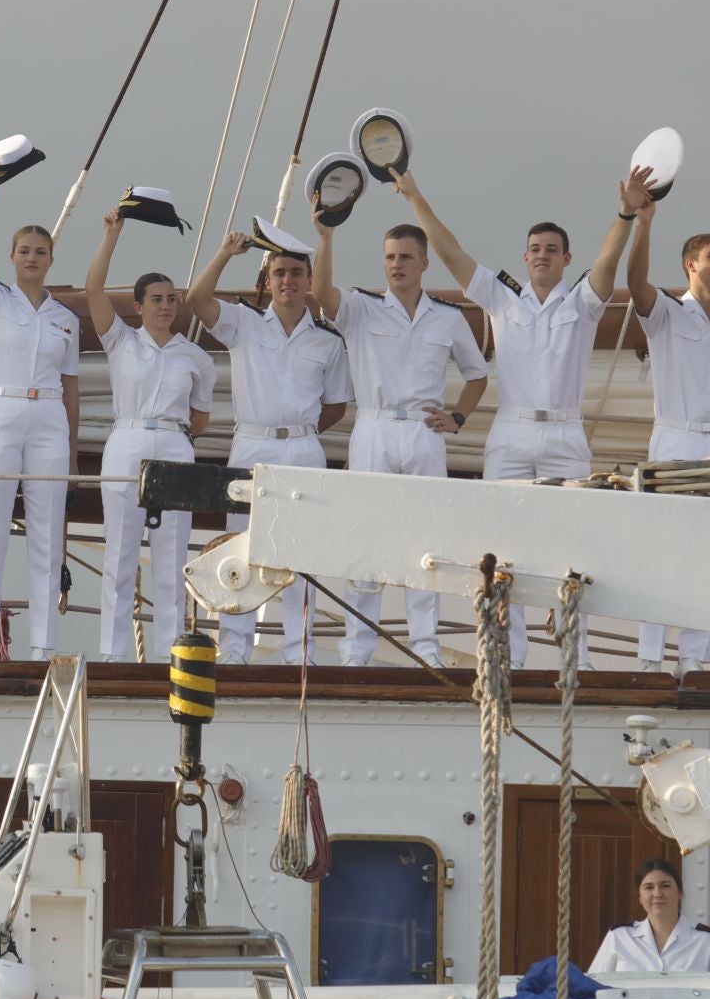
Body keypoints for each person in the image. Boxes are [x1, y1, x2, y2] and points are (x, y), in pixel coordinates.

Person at [407, 167, 635, 668]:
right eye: (535, 248)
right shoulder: (499, 297)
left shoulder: (583, 302)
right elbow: (449, 252)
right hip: (511, 432)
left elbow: (608, 261)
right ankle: (503, 655)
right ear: (524, 257)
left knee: (575, 548)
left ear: (565, 258)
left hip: (564, 433)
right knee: (499, 545)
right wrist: (415, 196)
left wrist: (626, 214)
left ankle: (576, 655)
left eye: (552, 249)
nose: (542, 255)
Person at [313, 213, 488, 666]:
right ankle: (358, 646)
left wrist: (458, 417)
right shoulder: (361, 308)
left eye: (406, 257)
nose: (396, 265)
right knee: (364, 538)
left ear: (424, 263)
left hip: (424, 430)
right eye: (390, 258)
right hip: (374, 427)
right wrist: (326, 240)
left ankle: (425, 645)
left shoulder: (448, 319)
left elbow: (477, 374)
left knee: (425, 540)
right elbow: (321, 295)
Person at [185, 227, 350, 664]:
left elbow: (335, 406)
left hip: (302, 447)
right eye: (279, 273)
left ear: (310, 281)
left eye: (296, 273)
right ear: (268, 280)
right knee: (241, 547)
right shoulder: (243, 323)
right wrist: (224, 252)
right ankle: (235, 649)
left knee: (304, 550)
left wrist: (301, 429)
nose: (288, 281)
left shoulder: (327, 341)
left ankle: (300, 652)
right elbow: (196, 301)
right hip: (252, 445)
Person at [623, 192, 710, 675]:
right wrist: (645, 222)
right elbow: (635, 282)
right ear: (690, 265)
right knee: (660, 550)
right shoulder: (666, 313)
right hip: (675, 438)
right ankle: (650, 658)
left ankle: (697, 658)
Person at [83, 211, 217, 661]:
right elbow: (94, 290)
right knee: (120, 555)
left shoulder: (195, 357)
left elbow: (200, 418)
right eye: (156, 299)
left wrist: (175, 438)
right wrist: (110, 235)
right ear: (138, 306)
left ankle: (170, 653)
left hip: (175, 443)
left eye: (171, 299)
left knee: (171, 558)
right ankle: (113, 653)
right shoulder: (121, 340)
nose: (165, 306)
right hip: (128, 441)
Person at [0, 167, 81, 661]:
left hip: (49, 417)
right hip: (1, 409)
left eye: (40, 252)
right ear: (12, 258)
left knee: (47, 532)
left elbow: (71, 388)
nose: (32, 258)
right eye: (24, 251)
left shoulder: (65, 318)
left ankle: (43, 645)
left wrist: (72, 453)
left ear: (51, 259)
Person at [588, 859, 710, 974]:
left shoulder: (708, 942)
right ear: (640, 898)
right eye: (648, 887)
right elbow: (593, 989)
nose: (657, 894)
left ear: (680, 893)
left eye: (665, 886)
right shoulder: (618, 937)